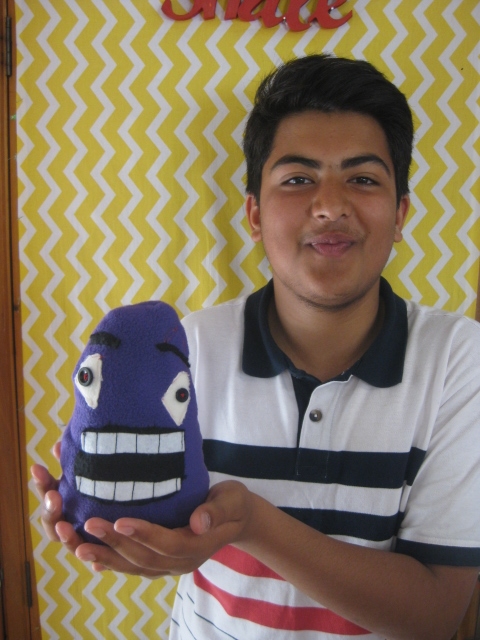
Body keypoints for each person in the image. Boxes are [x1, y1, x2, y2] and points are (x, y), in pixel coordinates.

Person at [32, 53, 480, 640]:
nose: (330, 206)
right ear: (253, 213)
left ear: (400, 215)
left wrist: (253, 525)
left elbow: (436, 614)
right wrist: (116, 520)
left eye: (363, 179)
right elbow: (164, 514)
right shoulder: (186, 348)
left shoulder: (459, 360)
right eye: (297, 179)